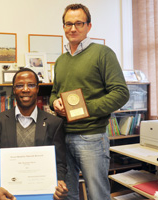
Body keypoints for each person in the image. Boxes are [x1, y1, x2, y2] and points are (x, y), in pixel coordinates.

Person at [50, 4, 130, 200]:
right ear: (63, 27)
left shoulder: (103, 53)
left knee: (97, 195)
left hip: (92, 138)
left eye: (79, 23)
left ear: (89, 26)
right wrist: (55, 103)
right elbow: (54, 93)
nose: (73, 28)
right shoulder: (61, 60)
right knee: (66, 195)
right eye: (68, 24)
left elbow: (121, 93)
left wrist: (83, 109)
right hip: (63, 137)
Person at [0, 68, 68, 200]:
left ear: (38, 89)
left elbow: (60, 163)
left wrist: (59, 182)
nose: (25, 89)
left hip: (43, 194)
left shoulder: (54, 123)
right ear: (14, 89)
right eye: (20, 85)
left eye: (31, 85)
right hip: (7, 195)